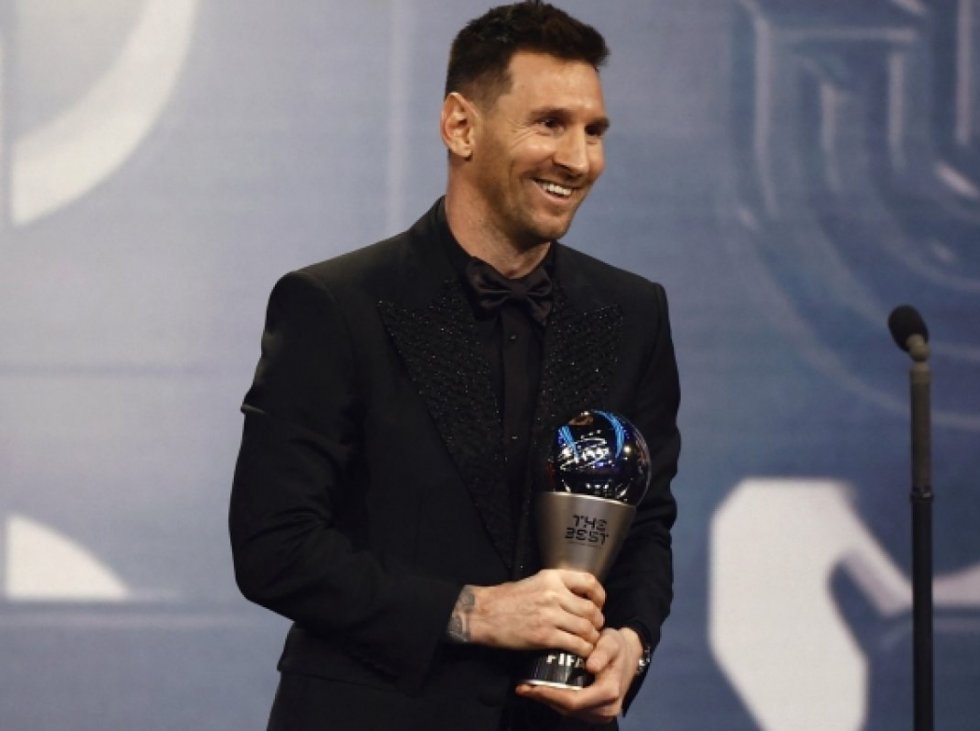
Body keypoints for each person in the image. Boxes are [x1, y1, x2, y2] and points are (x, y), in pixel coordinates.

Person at [229, 2, 680, 729]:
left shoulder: (632, 314)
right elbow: (274, 545)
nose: (578, 159)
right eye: (550, 124)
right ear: (460, 126)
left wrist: (631, 641)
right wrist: (472, 611)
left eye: (593, 131)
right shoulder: (334, 306)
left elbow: (646, 520)